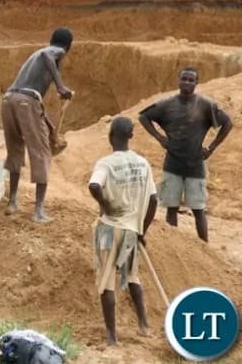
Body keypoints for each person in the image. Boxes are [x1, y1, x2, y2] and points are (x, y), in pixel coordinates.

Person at [138, 67, 232, 242]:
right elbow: (143, 117)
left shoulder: (205, 105)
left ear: (197, 83)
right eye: (184, 79)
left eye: (191, 80)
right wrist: (160, 138)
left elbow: (227, 124)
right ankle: (174, 246)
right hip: (172, 164)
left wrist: (211, 148)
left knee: (198, 210)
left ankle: (205, 249)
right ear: (178, 80)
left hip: (196, 165)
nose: (187, 82)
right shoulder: (167, 104)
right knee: (171, 208)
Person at [88, 116, 157, 346]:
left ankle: (111, 337)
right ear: (131, 136)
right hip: (131, 231)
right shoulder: (143, 163)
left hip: (109, 229)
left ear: (110, 137)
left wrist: (105, 205)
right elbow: (154, 200)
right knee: (133, 276)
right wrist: (141, 231)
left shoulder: (105, 163)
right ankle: (144, 325)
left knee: (106, 281)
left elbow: (94, 185)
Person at [1, 27, 74, 222]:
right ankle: (38, 211)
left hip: (9, 99)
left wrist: (50, 128)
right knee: (42, 153)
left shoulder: (34, 58)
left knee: (15, 149)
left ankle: (13, 202)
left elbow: (35, 107)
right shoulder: (53, 52)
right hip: (26, 100)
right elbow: (46, 56)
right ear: (68, 47)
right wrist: (60, 86)